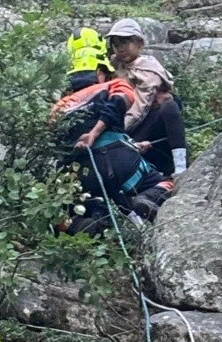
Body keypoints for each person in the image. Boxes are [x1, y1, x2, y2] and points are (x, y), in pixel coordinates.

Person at [52, 27, 174, 226]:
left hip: (82, 172)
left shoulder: (59, 107)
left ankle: (94, 225)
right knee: (166, 183)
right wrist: (96, 132)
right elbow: (120, 101)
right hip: (121, 160)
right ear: (100, 71)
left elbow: (56, 141)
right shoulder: (112, 86)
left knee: (86, 210)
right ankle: (148, 198)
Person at [105, 19, 188, 177]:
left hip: (144, 124)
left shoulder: (149, 67)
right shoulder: (112, 67)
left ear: (139, 43)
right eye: (116, 44)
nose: (120, 49)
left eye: (124, 42)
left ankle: (180, 166)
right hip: (123, 128)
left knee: (170, 104)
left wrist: (126, 137)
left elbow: (143, 104)